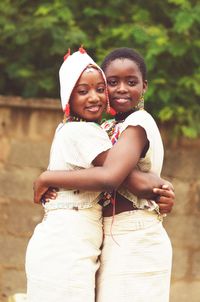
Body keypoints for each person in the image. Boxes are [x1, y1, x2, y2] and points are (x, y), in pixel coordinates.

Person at [33, 47, 173, 301]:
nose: (120, 89)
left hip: (135, 234)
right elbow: (122, 176)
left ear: (144, 87)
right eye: (111, 83)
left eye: (131, 82)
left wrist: (47, 177)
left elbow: (113, 176)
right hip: (106, 236)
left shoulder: (138, 123)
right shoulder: (103, 128)